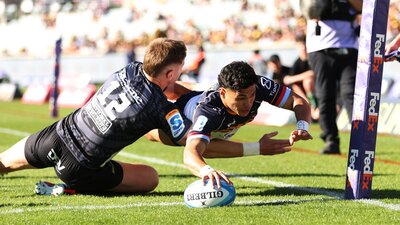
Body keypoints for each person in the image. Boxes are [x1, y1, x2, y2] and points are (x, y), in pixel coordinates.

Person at [0, 38, 192, 195]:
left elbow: (165, 87)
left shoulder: (131, 69)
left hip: (56, 136)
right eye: (179, 70)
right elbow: (188, 136)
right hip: (81, 167)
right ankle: (70, 188)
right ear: (170, 73)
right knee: (150, 177)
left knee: (3, 162)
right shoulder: (160, 107)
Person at [149, 61, 313, 187]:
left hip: (200, 97)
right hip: (181, 117)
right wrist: (207, 171)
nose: (248, 103)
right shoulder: (208, 112)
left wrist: (302, 127)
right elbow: (191, 153)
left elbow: (298, 101)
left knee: (185, 92)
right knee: (154, 131)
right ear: (223, 93)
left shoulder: (259, 85)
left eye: (252, 95)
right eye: (241, 98)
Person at [304, 0, 363, 154]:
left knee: (351, 94)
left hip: (349, 48)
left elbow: (362, 6)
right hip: (321, 49)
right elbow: (310, 8)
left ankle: (359, 139)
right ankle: (331, 140)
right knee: (325, 95)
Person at [283, 34, 319, 121]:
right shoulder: (297, 62)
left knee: (308, 81)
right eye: (301, 47)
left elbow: (312, 74)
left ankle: (315, 106)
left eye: (305, 47)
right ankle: (308, 106)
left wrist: (294, 78)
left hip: (318, 91)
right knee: (295, 85)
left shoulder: (314, 59)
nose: (303, 49)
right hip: (304, 96)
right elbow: (287, 80)